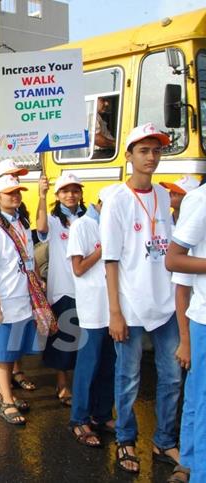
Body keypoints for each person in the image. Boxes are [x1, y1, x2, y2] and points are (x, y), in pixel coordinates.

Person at [101, 123, 181, 474]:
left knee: (172, 376)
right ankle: (126, 439)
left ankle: (164, 441)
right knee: (128, 377)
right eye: (144, 150)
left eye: (157, 150)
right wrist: (115, 312)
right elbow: (111, 260)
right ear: (130, 155)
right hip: (131, 306)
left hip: (164, 306)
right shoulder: (116, 199)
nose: (152, 157)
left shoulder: (164, 196)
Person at [0, 175, 42, 425]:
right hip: (2, 301)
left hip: (21, 298)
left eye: (17, 192)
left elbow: (29, 258)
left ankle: (8, 393)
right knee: (2, 353)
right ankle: (6, 401)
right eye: (8, 193)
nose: (15, 196)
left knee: (13, 350)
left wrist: (36, 280)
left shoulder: (22, 224)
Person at [66, 184, 118, 448]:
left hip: (115, 308)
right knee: (89, 365)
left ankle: (102, 414)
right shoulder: (82, 226)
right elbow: (78, 268)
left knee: (109, 364)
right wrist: (104, 249)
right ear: (100, 204)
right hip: (92, 308)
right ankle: (79, 418)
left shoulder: (112, 224)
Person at [165, 183, 206, 483]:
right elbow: (174, 261)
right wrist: (186, 339)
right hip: (203, 319)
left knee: (196, 399)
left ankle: (190, 465)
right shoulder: (201, 201)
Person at [36, 173, 87, 407]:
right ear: (58, 195)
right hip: (63, 288)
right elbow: (41, 228)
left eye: (75, 190)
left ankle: (81, 382)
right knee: (62, 338)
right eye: (65, 191)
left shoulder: (88, 218)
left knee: (84, 339)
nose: (71, 195)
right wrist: (41, 195)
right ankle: (62, 382)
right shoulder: (54, 220)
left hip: (87, 288)